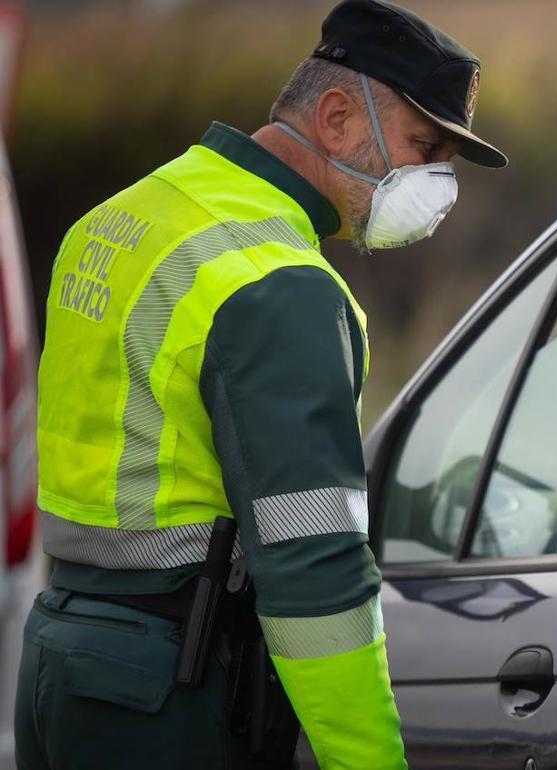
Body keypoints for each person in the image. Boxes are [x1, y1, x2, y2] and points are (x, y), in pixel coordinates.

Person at [16, 1, 506, 768]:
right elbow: (317, 574)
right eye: (425, 147)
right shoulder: (281, 287)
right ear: (337, 119)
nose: (438, 183)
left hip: (60, 662)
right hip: (172, 697)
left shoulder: (115, 221)